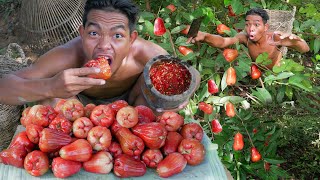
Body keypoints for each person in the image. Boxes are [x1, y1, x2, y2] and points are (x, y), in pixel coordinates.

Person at [0, 0, 189, 112]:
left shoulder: (146, 54)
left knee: (160, 96)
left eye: (117, 35)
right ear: (81, 34)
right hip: (78, 116)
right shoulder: (68, 55)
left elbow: (187, 77)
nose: (104, 45)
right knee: (48, 99)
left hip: (134, 112)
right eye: (94, 33)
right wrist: (50, 87)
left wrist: (178, 98)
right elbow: (4, 88)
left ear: (131, 39)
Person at [187, 8, 310, 69]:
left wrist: (297, 40)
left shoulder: (275, 38)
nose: (251, 28)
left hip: (276, 73)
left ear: (265, 27)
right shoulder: (245, 38)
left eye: (256, 25)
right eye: (247, 24)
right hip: (256, 70)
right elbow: (224, 41)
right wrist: (205, 36)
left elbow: (304, 49)